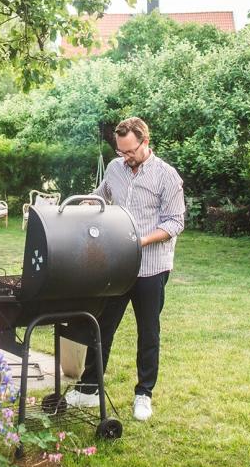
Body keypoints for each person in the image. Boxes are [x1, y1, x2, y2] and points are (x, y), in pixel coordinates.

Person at [65, 116, 184, 422]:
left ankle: (144, 394)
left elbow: (175, 222)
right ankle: (90, 388)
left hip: (152, 266)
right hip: (117, 266)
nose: (125, 157)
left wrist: (140, 241)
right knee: (103, 324)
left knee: (148, 332)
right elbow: (102, 197)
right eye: (121, 152)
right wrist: (82, 210)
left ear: (146, 142)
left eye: (130, 151)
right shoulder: (115, 168)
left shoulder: (166, 176)